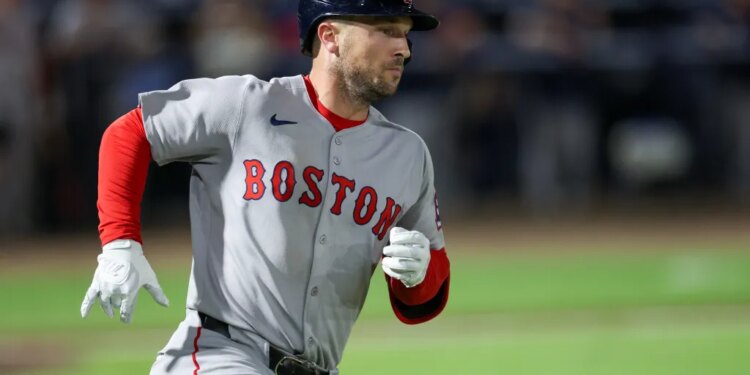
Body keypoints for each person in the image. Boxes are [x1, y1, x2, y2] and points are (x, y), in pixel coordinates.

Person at [80, 1, 451, 374]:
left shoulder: (408, 154)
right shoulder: (248, 104)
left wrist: (417, 275)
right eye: (387, 31)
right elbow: (131, 132)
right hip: (220, 355)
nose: (403, 48)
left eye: (405, 34)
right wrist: (120, 241)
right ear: (330, 36)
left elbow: (424, 296)